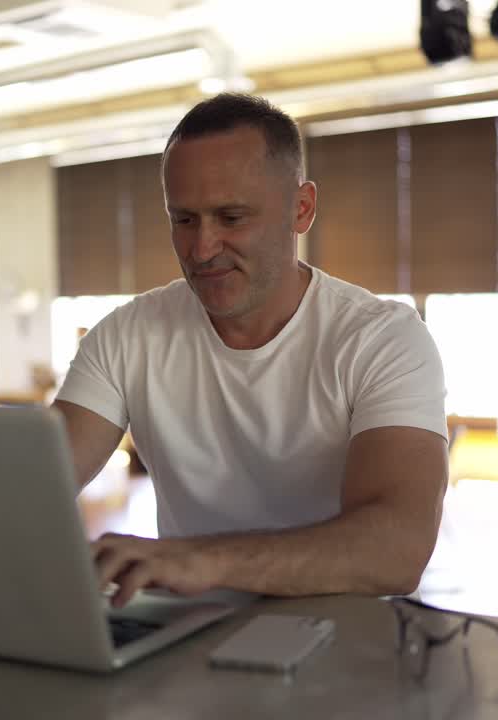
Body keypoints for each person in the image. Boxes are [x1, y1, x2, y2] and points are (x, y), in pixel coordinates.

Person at [53, 93, 448, 608]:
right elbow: (30, 492)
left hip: (343, 640)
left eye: (232, 218)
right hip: (183, 638)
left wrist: (205, 561)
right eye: (184, 219)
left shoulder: (382, 339)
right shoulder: (124, 336)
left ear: (301, 209)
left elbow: (398, 550)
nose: (202, 248)